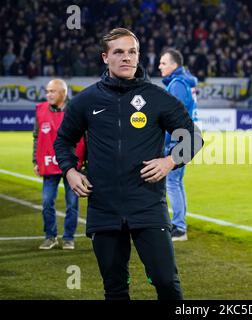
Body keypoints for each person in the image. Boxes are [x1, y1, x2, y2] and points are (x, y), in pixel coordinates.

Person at [54, 28, 203, 300]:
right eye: (119, 52)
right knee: (115, 287)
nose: (126, 57)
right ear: (105, 57)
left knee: (165, 281)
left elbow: (193, 137)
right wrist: (70, 170)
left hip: (147, 205)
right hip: (104, 207)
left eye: (132, 51)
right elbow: (63, 140)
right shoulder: (86, 100)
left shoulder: (158, 98)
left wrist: (170, 160)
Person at [32, 79, 85, 250]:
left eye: (52, 91)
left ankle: (68, 237)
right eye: (47, 91)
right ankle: (50, 236)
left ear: (63, 93)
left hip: (71, 166)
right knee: (47, 202)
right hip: (48, 165)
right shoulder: (40, 111)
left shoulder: (75, 110)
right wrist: (35, 160)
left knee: (72, 204)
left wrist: (86, 162)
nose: (48, 94)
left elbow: (86, 137)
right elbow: (36, 138)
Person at [159, 48, 198, 241]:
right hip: (185, 137)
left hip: (178, 138)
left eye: (164, 63)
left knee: (172, 182)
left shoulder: (177, 84)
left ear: (174, 65)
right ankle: (180, 223)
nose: (160, 66)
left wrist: (165, 142)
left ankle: (179, 227)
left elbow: (173, 116)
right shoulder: (184, 82)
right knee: (176, 182)